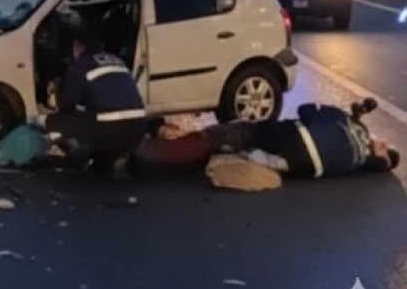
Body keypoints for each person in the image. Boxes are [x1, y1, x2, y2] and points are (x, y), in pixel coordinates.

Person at [136, 99, 400, 179]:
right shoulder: (354, 164)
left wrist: (346, 115)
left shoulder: (355, 129)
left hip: (297, 137)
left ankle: (148, 153)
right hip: (303, 166)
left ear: (383, 156)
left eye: (385, 147)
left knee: (242, 132)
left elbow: (306, 109)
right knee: (246, 146)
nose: (382, 142)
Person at [43, 25, 148, 177]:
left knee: (54, 121)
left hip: (109, 130)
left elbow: (66, 104)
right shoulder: (117, 60)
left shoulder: (81, 65)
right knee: (96, 121)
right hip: (138, 128)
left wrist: (56, 91)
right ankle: (110, 159)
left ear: (78, 47)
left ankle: (74, 157)